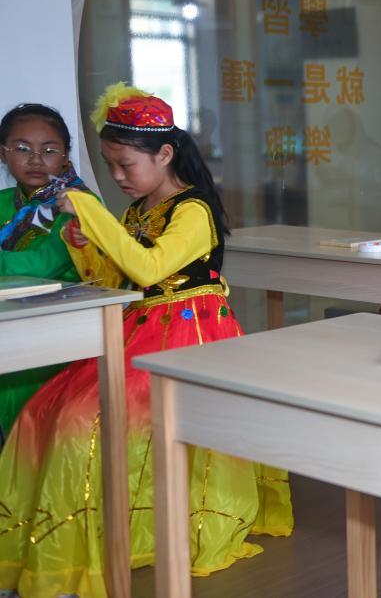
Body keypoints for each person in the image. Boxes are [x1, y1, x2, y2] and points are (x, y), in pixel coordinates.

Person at [0, 84, 293, 598]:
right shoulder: (138, 211)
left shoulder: (194, 210)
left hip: (189, 334)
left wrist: (91, 213)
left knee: (81, 423)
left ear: (164, 155)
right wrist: (83, 243)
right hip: (141, 328)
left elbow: (149, 268)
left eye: (125, 165)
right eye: (109, 165)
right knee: (45, 410)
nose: (117, 176)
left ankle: (87, 545)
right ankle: (62, 544)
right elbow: (116, 279)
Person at [0, 103, 94, 445]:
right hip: (8, 325)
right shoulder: (3, 201)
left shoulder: (79, 204)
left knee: (42, 436)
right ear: (3, 153)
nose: (36, 160)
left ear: (66, 155)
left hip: (62, 332)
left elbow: (43, 265)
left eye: (50, 150)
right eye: (22, 149)